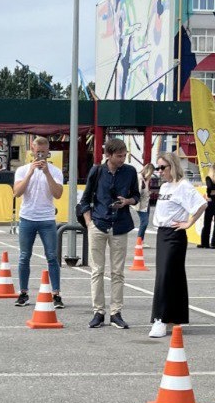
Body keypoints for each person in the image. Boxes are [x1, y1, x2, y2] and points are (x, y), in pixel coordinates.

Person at [77, 138, 140, 329]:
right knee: (97, 270)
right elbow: (85, 199)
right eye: (119, 156)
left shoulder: (130, 172)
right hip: (99, 224)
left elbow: (137, 196)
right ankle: (98, 312)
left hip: (120, 225)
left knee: (118, 272)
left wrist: (127, 201)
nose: (123, 159)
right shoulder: (97, 171)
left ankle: (116, 313)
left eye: (124, 155)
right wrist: (89, 223)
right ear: (108, 155)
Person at [147, 152, 207, 338]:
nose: (159, 171)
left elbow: (201, 204)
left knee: (165, 275)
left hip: (175, 235)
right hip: (162, 233)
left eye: (162, 167)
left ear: (172, 166)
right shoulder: (165, 187)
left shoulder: (183, 186)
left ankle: (160, 318)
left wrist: (188, 223)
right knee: (170, 275)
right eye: (157, 168)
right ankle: (174, 316)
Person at [12, 137, 65, 308]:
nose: (40, 154)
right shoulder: (22, 170)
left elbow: (58, 194)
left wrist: (47, 172)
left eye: (43, 151)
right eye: (37, 150)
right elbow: (17, 192)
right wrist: (30, 173)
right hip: (27, 217)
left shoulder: (55, 171)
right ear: (32, 150)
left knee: (51, 257)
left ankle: (56, 294)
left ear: (48, 151)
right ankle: (23, 293)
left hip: (47, 219)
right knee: (24, 256)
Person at [136, 162, 159, 242]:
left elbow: (144, 191)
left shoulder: (145, 179)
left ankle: (141, 240)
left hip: (146, 202)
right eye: (151, 173)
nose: (151, 175)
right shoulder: (139, 178)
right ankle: (139, 241)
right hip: (141, 204)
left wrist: (149, 193)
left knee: (144, 223)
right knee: (144, 222)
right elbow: (138, 192)